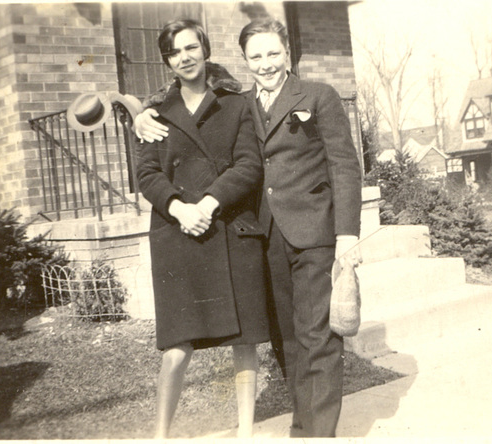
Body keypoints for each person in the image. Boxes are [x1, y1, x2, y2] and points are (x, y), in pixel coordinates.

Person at [135, 18, 362, 437]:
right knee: (286, 338)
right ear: (244, 60)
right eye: (255, 57)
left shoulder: (319, 95)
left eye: (273, 53)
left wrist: (347, 233)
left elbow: (345, 166)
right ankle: (302, 424)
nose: (266, 64)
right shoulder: (243, 104)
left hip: (313, 230)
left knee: (317, 336)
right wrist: (140, 115)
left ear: (287, 53)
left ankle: (319, 433)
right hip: (267, 234)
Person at [135, 19, 269, 439]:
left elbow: (249, 164)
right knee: (177, 346)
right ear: (167, 61)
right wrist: (179, 208)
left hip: (228, 228)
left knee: (244, 341)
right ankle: (161, 435)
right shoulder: (154, 114)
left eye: (192, 47)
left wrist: (208, 203)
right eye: (175, 52)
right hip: (178, 236)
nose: (185, 57)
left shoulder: (236, 103)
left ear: (205, 50)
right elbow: (147, 174)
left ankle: (245, 432)